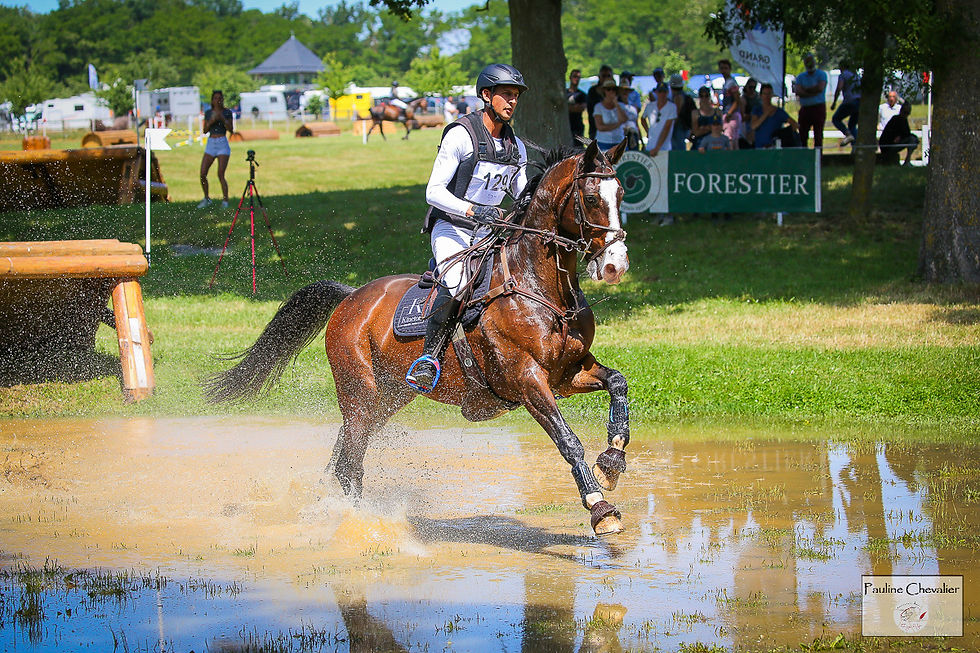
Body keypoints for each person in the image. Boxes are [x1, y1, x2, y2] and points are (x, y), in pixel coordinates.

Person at [405, 63, 529, 393]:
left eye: (515, 96)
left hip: (488, 237)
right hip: (452, 229)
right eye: (506, 94)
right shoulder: (461, 134)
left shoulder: (517, 148)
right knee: (459, 284)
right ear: (486, 95)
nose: (512, 101)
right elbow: (433, 191)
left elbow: (522, 196)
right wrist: (474, 209)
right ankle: (428, 361)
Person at [198, 90, 234, 209]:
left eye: (220, 98)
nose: (217, 100)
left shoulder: (227, 112)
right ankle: (206, 198)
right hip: (211, 143)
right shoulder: (209, 113)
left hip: (222, 143)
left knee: (220, 173)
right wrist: (212, 120)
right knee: (203, 173)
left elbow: (231, 129)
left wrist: (223, 119)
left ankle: (225, 200)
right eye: (215, 98)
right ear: (212, 100)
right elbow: (205, 130)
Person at [793, 53, 828, 148]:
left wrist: (806, 90)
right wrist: (812, 91)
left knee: (818, 135)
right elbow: (798, 91)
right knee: (802, 135)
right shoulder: (800, 77)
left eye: (811, 62)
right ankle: (803, 156)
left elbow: (820, 88)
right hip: (805, 108)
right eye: (807, 62)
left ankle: (818, 158)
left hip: (818, 108)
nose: (809, 64)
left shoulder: (822, 74)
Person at [751, 82, 800, 148]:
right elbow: (753, 126)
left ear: (772, 95)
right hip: (760, 147)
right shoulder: (756, 110)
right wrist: (765, 114)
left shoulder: (779, 112)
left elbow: (795, 124)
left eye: (769, 94)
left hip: (775, 147)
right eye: (765, 94)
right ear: (761, 95)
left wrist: (785, 134)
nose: (767, 96)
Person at [641, 82, 676, 157]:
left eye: (664, 92)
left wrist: (657, 148)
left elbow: (667, 128)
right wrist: (648, 131)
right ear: (656, 92)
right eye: (660, 92)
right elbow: (642, 119)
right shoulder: (650, 106)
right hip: (650, 146)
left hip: (665, 148)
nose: (662, 94)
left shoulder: (672, 107)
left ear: (667, 93)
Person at [593, 78, 628, 152]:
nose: (611, 91)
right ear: (604, 91)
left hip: (619, 141)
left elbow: (624, 119)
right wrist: (617, 124)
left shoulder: (621, 106)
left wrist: (616, 104)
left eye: (613, 89)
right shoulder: (598, 107)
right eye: (608, 89)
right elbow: (600, 127)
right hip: (603, 142)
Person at [831, 61, 861, 146]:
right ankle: (855, 147)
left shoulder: (843, 75)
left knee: (836, 119)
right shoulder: (856, 76)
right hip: (859, 102)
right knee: (852, 125)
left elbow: (839, 87)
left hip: (849, 101)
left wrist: (834, 102)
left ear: (842, 67)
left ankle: (848, 134)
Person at [669, 74, 695, 151]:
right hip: (685, 127)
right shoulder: (686, 97)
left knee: (677, 149)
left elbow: (676, 115)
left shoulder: (678, 97)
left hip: (679, 127)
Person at [587, 64, 613, 140]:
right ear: (599, 77)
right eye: (603, 76)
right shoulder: (592, 91)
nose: (606, 78)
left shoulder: (615, 91)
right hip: (595, 130)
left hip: (613, 131)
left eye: (608, 76)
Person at [691, 86, 720, 151]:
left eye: (706, 96)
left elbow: (719, 130)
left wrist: (703, 128)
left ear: (709, 96)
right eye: (702, 96)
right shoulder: (695, 113)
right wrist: (710, 128)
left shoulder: (717, 112)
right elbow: (696, 132)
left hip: (714, 143)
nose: (704, 98)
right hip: (699, 144)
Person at [617, 80, 641, 150]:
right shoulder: (617, 105)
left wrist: (641, 139)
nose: (625, 92)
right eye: (623, 90)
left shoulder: (633, 107)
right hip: (622, 135)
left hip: (633, 134)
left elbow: (636, 123)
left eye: (627, 90)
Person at [567, 69, 587, 141]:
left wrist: (567, 107)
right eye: (574, 76)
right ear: (570, 77)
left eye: (578, 77)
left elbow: (581, 108)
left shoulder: (582, 94)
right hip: (565, 125)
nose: (576, 79)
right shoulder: (564, 93)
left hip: (577, 127)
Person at [721, 83, 743, 148]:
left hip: (731, 117)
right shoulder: (727, 83)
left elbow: (737, 100)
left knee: (729, 139)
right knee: (734, 139)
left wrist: (729, 113)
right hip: (732, 115)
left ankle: (730, 157)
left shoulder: (731, 82)